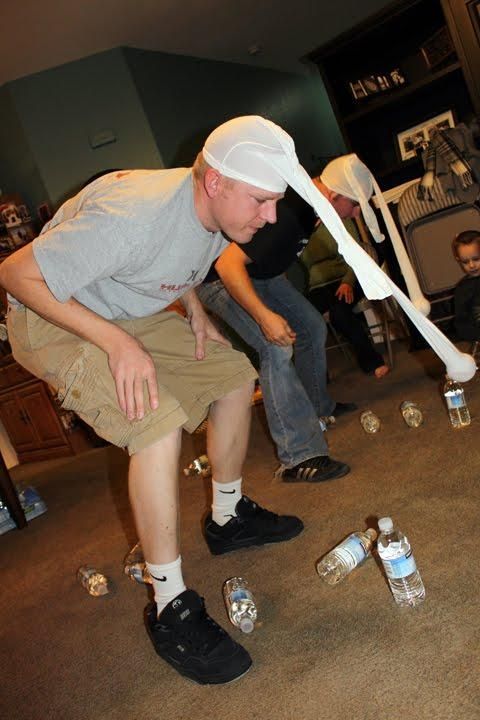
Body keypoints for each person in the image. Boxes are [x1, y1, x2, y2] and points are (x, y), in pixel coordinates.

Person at [0, 117, 309, 686]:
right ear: (215, 181)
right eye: (262, 202)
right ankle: (170, 606)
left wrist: (195, 312)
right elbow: (15, 274)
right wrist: (117, 344)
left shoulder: (217, 209)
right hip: (48, 315)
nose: (269, 218)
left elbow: (175, 254)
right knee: (156, 424)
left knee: (234, 376)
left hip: (122, 307)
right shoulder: (132, 214)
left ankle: (228, 517)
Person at [197, 191, 355, 483]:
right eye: (354, 204)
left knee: (311, 327)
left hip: (260, 275)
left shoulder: (311, 212)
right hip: (220, 280)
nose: (355, 213)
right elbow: (227, 266)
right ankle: (299, 456)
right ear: (335, 195)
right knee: (276, 348)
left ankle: (317, 409)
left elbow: (267, 254)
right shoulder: (289, 215)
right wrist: (265, 316)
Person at [302, 219, 390, 378]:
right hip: (318, 287)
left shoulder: (339, 219)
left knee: (340, 313)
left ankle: (373, 362)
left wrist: (348, 282)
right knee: (302, 317)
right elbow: (303, 266)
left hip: (348, 279)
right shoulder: (302, 230)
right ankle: (316, 377)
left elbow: (357, 253)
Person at [452, 230, 480, 341]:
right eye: (465, 262)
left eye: (476, 259)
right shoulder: (462, 289)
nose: (471, 265)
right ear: (458, 261)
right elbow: (461, 324)